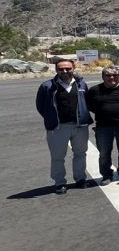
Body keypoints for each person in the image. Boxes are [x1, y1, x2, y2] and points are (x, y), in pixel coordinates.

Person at [36, 59, 93, 194]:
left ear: (73, 68)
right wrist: (51, 118)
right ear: (56, 70)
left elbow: (87, 101)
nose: (65, 71)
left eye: (68, 68)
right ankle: (60, 182)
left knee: (80, 153)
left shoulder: (81, 84)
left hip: (79, 126)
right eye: (61, 69)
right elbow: (40, 106)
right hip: (58, 128)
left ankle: (80, 178)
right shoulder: (47, 86)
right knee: (57, 157)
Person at [87, 66, 119, 185]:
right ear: (103, 76)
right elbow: (90, 105)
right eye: (108, 75)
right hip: (103, 127)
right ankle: (106, 175)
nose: (111, 77)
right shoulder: (95, 90)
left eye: (114, 75)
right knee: (104, 153)